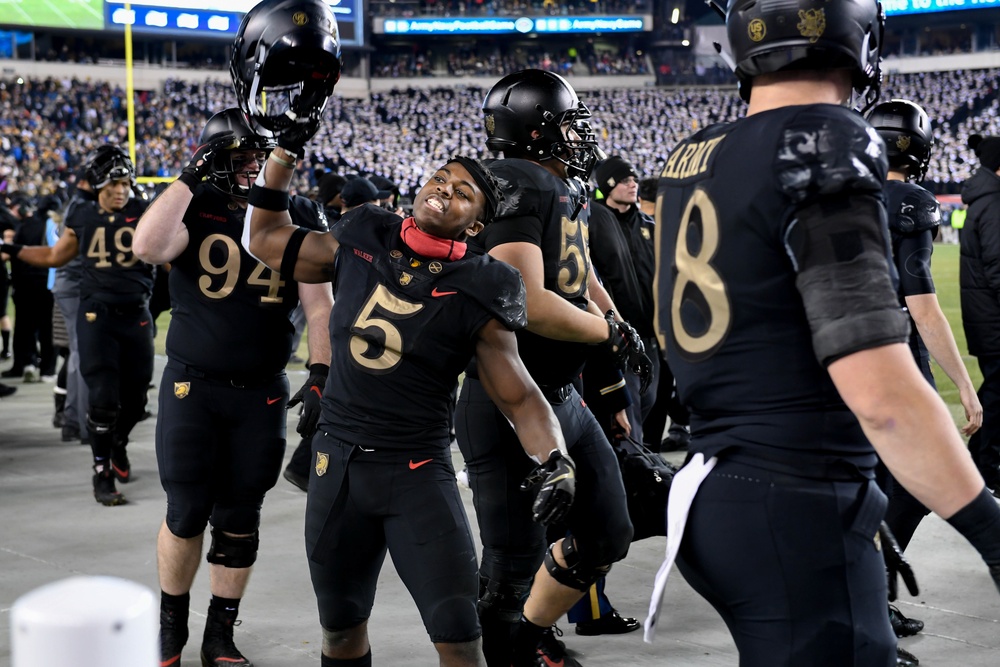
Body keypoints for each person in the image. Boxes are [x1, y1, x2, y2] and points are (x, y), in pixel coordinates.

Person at [646, 1, 1000, 665]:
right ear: (857, 37)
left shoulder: (693, 152)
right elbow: (881, 394)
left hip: (715, 488)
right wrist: (988, 528)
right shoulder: (824, 136)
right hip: (794, 497)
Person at [243, 108, 577, 667]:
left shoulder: (482, 285)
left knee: (459, 639)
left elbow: (518, 395)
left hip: (416, 471)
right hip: (339, 466)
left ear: (476, 226)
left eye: (464, 193)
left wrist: (555, 459)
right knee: (341, 631)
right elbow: (266, 238)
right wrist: (281, 155)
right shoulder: (362, 232)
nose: (444, 191)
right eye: (441, 179)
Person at [131, 108, 334, 667]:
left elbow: (320, 309)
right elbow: (147, 247)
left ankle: (220, 632)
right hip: (192, 385)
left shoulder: (299, 213)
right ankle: (171, 625)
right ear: (213, 158)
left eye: (258, 155)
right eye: (239, 155)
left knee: (241, 517)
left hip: (262, 391)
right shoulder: (193, 208)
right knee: (186, 508)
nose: (252, 166)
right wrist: (192, 174)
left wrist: (320, 373)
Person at [459, 69, 647, 667]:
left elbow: (576, 269)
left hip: (564, 393)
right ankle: (510, 647)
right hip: (509, 399)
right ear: (538, 131)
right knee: (509, 568)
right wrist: (607, 333)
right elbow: (526, 300)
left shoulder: (558, 184)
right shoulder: (516, 180)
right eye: (568, 122)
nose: (580, 133)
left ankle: (530, 634)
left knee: (607, 532)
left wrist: (613, 320)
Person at [868, 99, 984, 646]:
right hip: (891, 359)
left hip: (837, 356)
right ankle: (870, 594)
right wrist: (963, 385)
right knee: (916, 485)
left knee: (872, 485)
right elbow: (923, 305)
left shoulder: (843, 193)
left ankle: (868, 594)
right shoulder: (909, 199)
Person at [2, 145, 153, 507]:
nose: (121, 190)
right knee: (102, 400)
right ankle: (101, 471)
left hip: (136, 317)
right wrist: (14, 249)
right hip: (96, 317)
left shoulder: (143, 210)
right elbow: (56, 256)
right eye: (113, 184)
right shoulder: (82, 213)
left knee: (135, 402)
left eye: (125, 183)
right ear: (98, 184)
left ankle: (118, 444)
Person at [961, 133, 1000, 497]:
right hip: (994, 321)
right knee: (998, 394)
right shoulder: (993, 203)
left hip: (986, 318)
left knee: (997, 390)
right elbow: (998, 264)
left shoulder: (984, 199)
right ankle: (985, 469)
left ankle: (981, 464)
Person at [2, 194, 54, 382]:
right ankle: (47, 369)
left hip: (24, 284)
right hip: (45, 283)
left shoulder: (19, 228)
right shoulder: (46, 224)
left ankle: (28, 363)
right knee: (47, 328)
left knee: (26, 327)